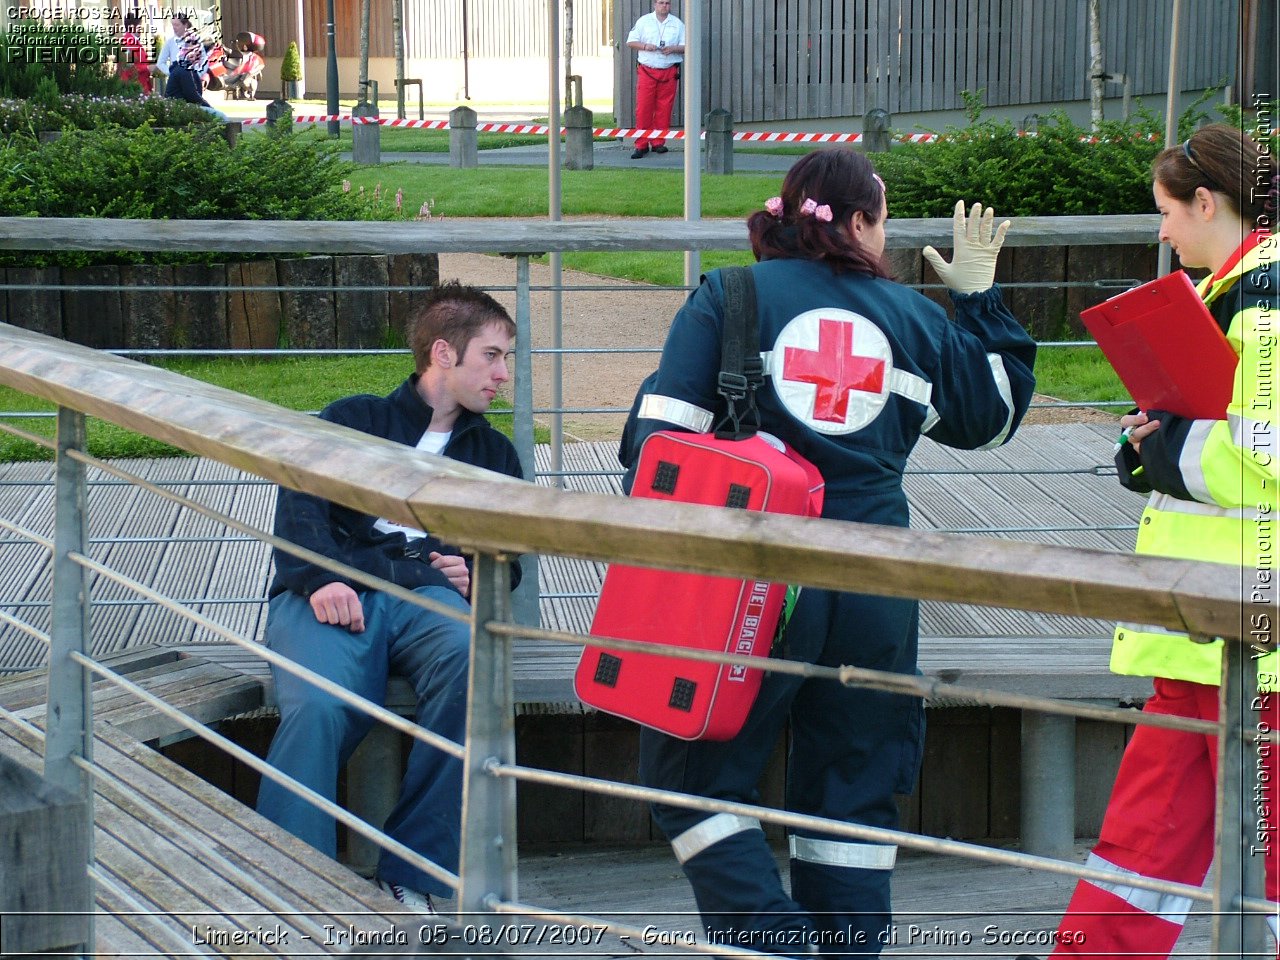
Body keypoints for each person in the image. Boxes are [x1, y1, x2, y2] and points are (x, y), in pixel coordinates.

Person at [626, 148, 1036, 956]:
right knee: (852, 800)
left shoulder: (729, 294)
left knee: (688, 781)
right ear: (855, 224)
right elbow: (991, 418)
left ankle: (778, 944)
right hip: (877, 581)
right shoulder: (917, 319)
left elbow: (658, 447)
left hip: (752, 581)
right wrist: (981, 302)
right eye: (881, 221)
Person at [1025, 124, 1279, 960]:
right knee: (1144, 842)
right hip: (1207, 626)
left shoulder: (1265, 298)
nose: (1162, 231)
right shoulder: (1234, 290)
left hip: (1249, 636)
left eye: (1167, 211)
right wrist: (1153, 445)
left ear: (1209, 202)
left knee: (1237, 859)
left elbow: (1267, 451)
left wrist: (1166, 447)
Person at [255, 282, 524, 914]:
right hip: (330, 590)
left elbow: (508, 560)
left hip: (427, 603)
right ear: (443, 353)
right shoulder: (354, 419)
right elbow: (299, 508)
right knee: (318, 706)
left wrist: (477, 572)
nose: (504, 375)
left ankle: (416, 873)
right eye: (491, 355)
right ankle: (294, 884)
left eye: (507, 358)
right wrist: (321, 578)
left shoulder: (493, 455)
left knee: (475, 668)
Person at [625, 0, 685, 159]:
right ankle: (641, 144)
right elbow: (630, 41)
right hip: (647, 70)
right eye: (661, 2)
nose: (664, 6)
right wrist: (645, 46)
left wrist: (673, 49)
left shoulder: (677, 24)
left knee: (664, 108)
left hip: (669, 71)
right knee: (644, 108)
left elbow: (687, 46)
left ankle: (658, 142)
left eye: (667, 3)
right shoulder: (644, 21)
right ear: (654, 4)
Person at [160, 14, 210, 107]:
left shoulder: (195, 41)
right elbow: (160, 62)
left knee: (195, 103)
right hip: (178, 79)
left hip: (192, 79)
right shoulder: (170, 42)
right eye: (173, 25)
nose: (174, 28)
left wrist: (197, 75)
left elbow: (204, 62)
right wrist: (173, 74)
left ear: (185, 25)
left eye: (177, 25)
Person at [117, 11, 152, 95]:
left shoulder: (133, 41)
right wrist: (148, 68)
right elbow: (128, 66)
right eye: (139, 26)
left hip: (140, 85)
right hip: (133, 87)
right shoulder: (127, 42)